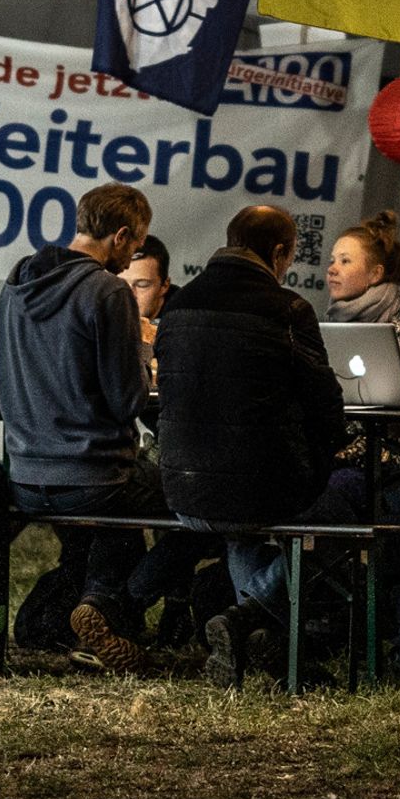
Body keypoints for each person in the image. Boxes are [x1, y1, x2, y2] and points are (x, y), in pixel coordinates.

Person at [155, 205, 350, 687]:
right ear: (281, 253)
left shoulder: (176, 308)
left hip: (183, 491)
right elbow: (327, 404)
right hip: (261, 489)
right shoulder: (288, 310)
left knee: (242, 527)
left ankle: (265, 645)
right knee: (347, 502)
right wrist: (323, 456)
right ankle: (247, 623)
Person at [0, 183, 163, 672]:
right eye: (135, 246)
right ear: (121, 234)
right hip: (92, 477)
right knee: (176, 491)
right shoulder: (107, 290)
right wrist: (144, 350)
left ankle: (78, 615)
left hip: (24, 476)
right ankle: (107, 607)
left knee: (103, 536)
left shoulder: (16, 282)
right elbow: (128, 399)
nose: (133, 257)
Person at [324, 210, 400, 397]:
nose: (332, 269)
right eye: (332, 260)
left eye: (345, 261)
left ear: (375, 274)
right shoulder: (329, 319)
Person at [118, 234, 172, 379]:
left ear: (164, 285)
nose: (129, 294)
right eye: (119, 284)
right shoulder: (98, 315)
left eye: (142, 285)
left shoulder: (182, 323)